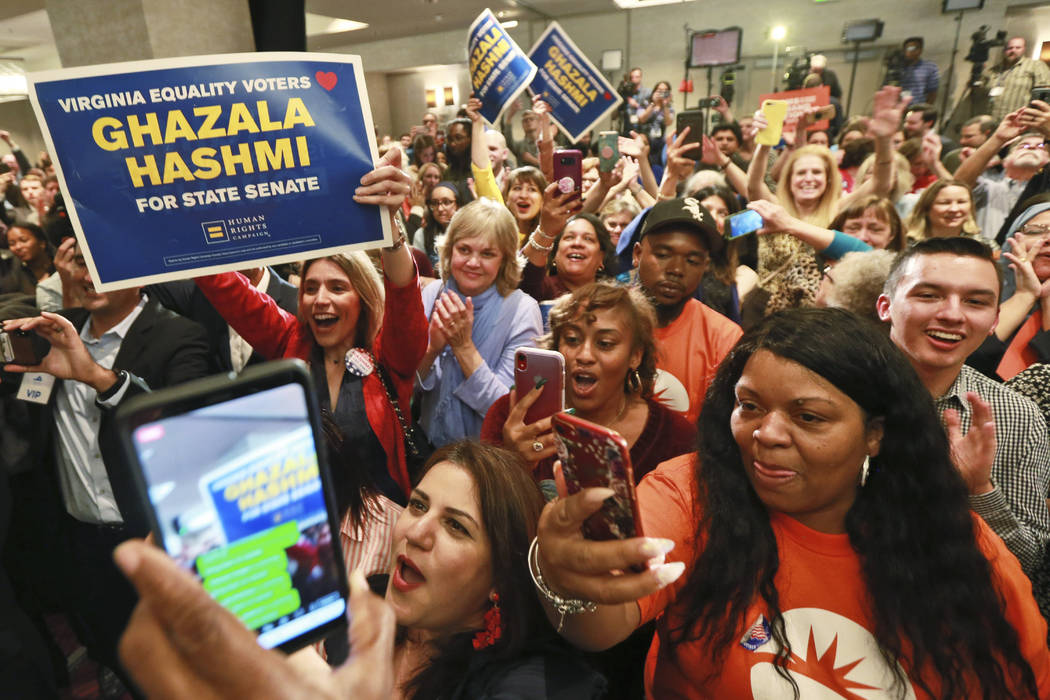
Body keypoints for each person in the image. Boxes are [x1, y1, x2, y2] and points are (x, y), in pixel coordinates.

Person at [535, 307, 1049, 698]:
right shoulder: (692, 494)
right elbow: (602, 623)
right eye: (749, 406)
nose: (767, 434)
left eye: (809, 418)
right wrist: (564, 573)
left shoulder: (959, 548)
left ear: (874, 435)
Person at [1, 241, 212, 689]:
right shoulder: (57, 333)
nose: (88, 275)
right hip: (81, 544)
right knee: (112, 649)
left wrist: (101, 379)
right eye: (81, 264)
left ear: (136, 271)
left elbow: (184, 429)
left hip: (155, 539)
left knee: (182, 663)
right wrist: (16, 367)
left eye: (103, 263)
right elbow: (33, 415)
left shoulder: (180, 336)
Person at [196, 149, 427, 505]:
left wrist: (390, 225)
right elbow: (223, 285)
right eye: (309, 288)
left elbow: (404, 296)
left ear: (362, 298)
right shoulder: (290, 339)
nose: (320, 299)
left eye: (337, 288)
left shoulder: (388, 356)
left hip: (380, 539)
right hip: (305, 524)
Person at [876, 237, 1050, 577]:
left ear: (994, 320)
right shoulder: (835, 391)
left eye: (975, 301)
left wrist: (979, 492)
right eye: (928, 295)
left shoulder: (1014, 416)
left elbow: (1026, 562)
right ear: (886, 306)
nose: (952, 314)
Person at [483, 281, 694, 487]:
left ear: (635, 356)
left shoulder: (677, 439)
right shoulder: (508, 418)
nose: (584, 356)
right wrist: (512, 464)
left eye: (604, 344)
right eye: (573, 339)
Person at [417, 198, 542, 447]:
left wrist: (463, 347)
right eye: (464, 250)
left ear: (504, 260)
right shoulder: (432, 295)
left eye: (487, 254)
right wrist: (432, 350)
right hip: (430, 452)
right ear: (449, 249)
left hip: (489, 461)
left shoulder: (523, 310)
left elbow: (508, 412)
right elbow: (408, 390)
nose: (473, 263)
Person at [630, 197, 742, 425]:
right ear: (637, 254)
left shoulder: (724, 338)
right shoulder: (599, 320)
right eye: (662, 255)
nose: (676, 270)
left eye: (692, 260)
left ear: (705, 266)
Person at [969, 202, 1050, 379]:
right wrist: (1024, 295)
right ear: (1010, 242)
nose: (1048, 239)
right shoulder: (970, 293)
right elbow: (962, 362)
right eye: (1036, 230)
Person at [955, 109, 1047, 239]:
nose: (1031, 148)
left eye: (1041, 147)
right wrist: (998, 138)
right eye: (1023, 146)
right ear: (1005, 161)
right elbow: (958, 185)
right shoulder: (990, 189)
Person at [519, 212, 617, 302]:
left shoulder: (613, 299)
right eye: (569, 237)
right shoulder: (541, 289)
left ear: (601, 257)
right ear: (554, 254)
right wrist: (546, 230)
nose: (577, 243)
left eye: (588, 239)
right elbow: (525, 274)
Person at [982, 36, 1050, 122]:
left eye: (1018, 48)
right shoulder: (994, 70)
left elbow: (1044, 93)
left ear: (1024, 49)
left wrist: (1036, 118)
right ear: (1004, 50)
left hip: (1019, 122)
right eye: (1009, 48)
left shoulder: (1035, 65)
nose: (1013, 51)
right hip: (992, 120)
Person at [904, 179, 984, 244]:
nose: (954, 209)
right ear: (926, 207)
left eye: (961, 202)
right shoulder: (905, 244)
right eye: (945, 203)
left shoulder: (982, 245)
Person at [411, 181, 460, 271]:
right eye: (435, 203)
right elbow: (419, 271)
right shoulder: (422, 234)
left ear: (457, 205)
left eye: (446, 202)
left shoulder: (468, 233)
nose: (440, 209)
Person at [636, 81, 674, 170]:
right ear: (654, 91)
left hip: (660, 143)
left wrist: (665, 105)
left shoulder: (669, 108)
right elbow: (642, 119)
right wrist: (653, 103)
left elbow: (668, 122)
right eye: (659, 90)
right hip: (645, 142)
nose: (662, 93)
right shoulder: (645, 103)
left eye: (665, 91)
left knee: (658, 168)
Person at [503, 166, 546, 244]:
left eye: (532, 189)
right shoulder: (498, 233)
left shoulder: (550, 238)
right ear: (506, 197)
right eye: (517, 188)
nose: (523, 195)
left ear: (543, 199)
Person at [5, 221, 53, 286]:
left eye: (23, 240)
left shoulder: (61, 263)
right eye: (12, 244)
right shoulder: (14, 276)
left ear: (41, 242)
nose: (18, 247)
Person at [894, 37, 939, 104]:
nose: (912, 51)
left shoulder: (929, 67)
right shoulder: (898, 68)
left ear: (921, 50)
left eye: (916, 48)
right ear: (904, 50)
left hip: (919, 106)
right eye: (909, 48)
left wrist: (926, 107)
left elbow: (932, 92)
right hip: (900, 107)